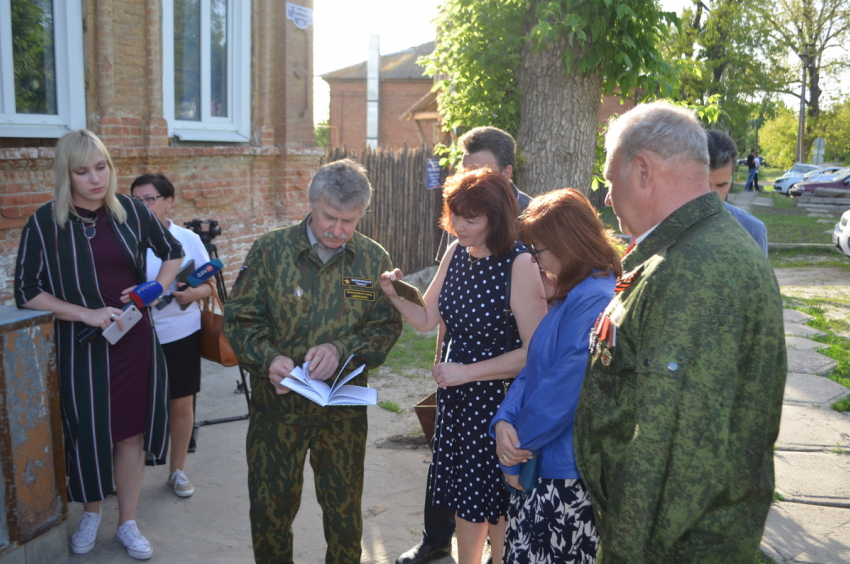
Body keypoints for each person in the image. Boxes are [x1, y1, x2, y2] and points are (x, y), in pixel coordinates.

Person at [573, 102, 787, 562]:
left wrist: (623, 554)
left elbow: (666, 454)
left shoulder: (696, 271)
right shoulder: (688, 253)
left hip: (671, 547)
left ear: (644, 170)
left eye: (612, 180)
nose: (607, 198)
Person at [14, 130, 183, 560]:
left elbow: (173, 252)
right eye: (83, 170)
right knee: (88, 431)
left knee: (129, 433)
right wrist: (86, 312)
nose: (95, 178)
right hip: (82, 344)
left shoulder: (130, 210)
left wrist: (154, 291)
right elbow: (27, 291)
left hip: (133, 337)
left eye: (102, 166)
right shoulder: (44, 221)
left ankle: (127, 520)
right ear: (66, 175)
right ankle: (91, 511)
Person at [223, 159, 402, 564]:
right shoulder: (271, 250)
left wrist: (341, 350)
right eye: (329, 217)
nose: (337, 230)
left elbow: (384, 329)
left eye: (349, 221)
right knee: (270, 513)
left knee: (343, 516)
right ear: (311, 203)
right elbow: (239, 321)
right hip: (277, 410)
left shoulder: (371, 260)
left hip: (341, 416)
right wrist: (268, 359)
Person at [380, 169, 548, 564]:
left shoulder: (519, 263)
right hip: (457, 405)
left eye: (470, 219)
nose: (458, 226)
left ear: (497, 218)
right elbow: (425, 319)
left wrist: (465, 372)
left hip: (498, 407)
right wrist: (393, 294)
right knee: (465, 506)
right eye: (454, 215)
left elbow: (535, 353)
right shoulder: (456, 252)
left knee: (498, 511)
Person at [490, 188, 621, 563]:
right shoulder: (572, 294)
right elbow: (533, 368)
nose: (534, 260)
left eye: (538, 250)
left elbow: (565, 389)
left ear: (569, 243)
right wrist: (502, 422)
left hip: (565, 476)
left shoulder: (597, 297)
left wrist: (514, 449)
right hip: (544, 466)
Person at [130, 173, 213, 498]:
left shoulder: (187, 238)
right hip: (136, 336)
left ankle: (177, 471)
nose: (143, 206)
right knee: (134, 406)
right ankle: (125, 474)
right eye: (136, 201)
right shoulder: (126, 239)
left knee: (180, 403)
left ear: (168, 202)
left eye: (149, 199)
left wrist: (191, 294)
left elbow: (208, 283)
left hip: (180, 332)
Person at [706, 130, 768, 255]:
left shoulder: (752, 229)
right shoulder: (662, 224)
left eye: (721, 185)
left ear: (731, 180)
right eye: (704, 184)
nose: (712, 194)